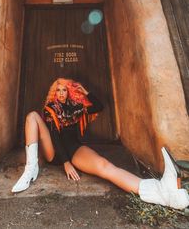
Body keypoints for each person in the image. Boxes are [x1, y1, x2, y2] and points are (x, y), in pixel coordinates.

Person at [12, 78, 189, 210]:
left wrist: (85, 92)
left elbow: (98, 106)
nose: (60, 93)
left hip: (74, 149)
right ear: (54, 92)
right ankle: (30, 169)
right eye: (58, 90)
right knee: (32, 117)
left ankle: (161, 192)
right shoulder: (51, 108)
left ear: (69, 92)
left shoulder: (75, 107)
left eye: (64, 90)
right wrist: (65, 163)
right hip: (53, 150)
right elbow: (55, 135)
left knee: (104, 166)